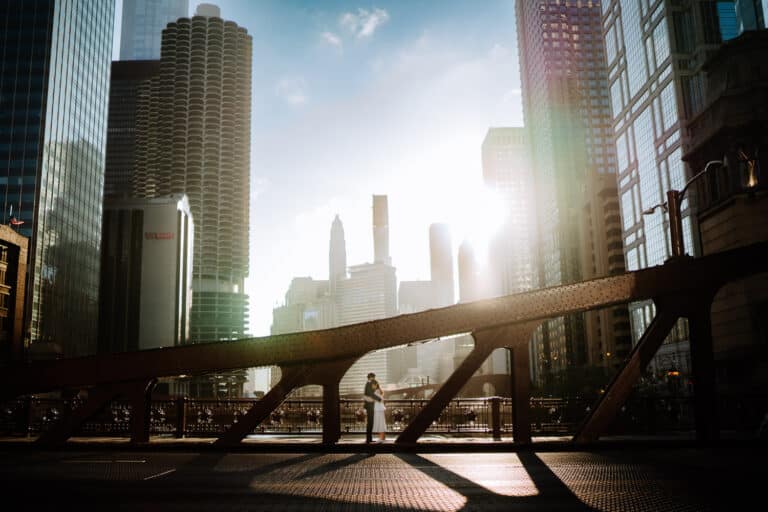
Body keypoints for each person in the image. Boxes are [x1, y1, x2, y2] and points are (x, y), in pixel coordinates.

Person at [363, 372, 382, 443]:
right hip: (370, 405)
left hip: (370, 405)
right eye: (373, 377)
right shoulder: (369, 383)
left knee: (371, 422)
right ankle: (368, 439)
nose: (374, 378)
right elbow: (371, 393)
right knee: (370, 421)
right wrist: (379, 399)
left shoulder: (370, 383)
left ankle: (369, 438)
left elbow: (376, 390)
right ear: (370, 377)